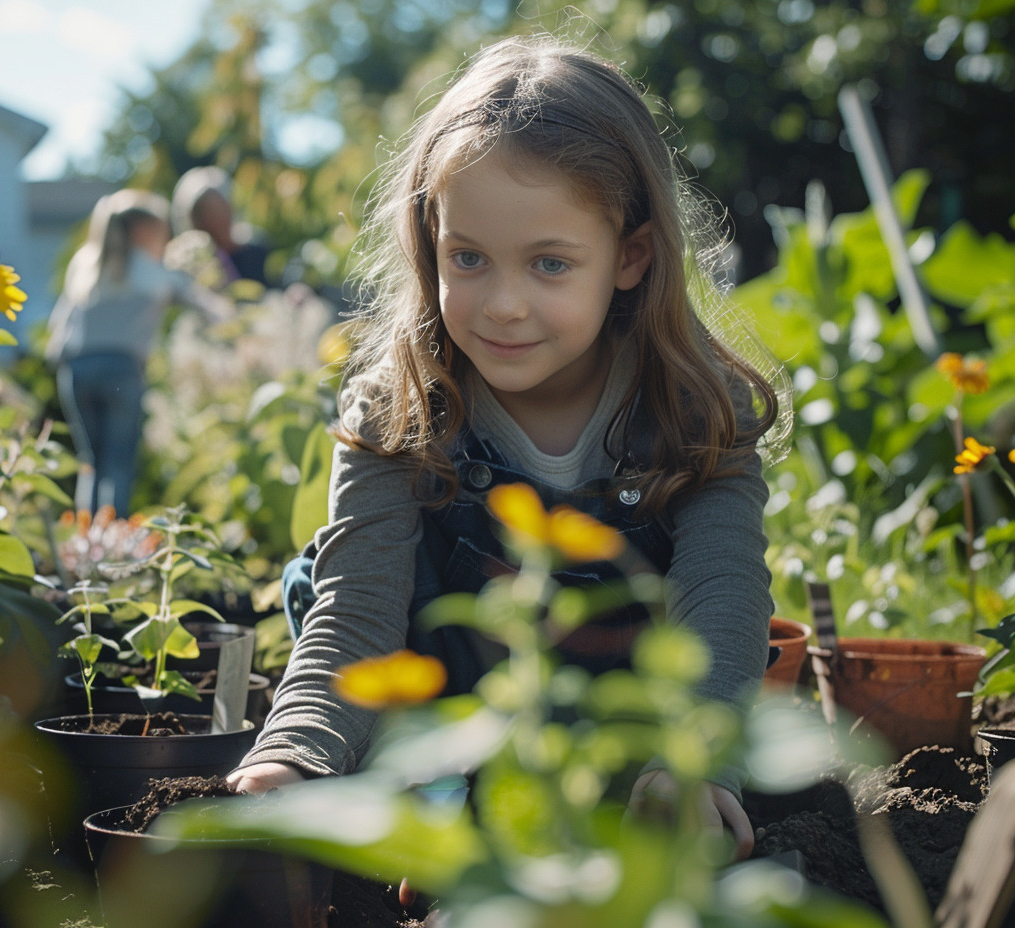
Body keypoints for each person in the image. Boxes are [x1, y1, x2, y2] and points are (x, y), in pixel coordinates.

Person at [227, 35, 790, 860]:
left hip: (620, 716)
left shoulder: (694, 409)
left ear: (629, 257)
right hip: (447, 707)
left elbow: (723, 589)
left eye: (551, 264)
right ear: (430, 239)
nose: (503, 306)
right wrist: (293, 751)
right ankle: (415, 789)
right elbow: (358, 608)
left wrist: (695, 761)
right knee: (320, 573)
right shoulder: (402, 405)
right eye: (470, 259)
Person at [47, 188, 229, 515]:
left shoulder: (86, 265)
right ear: (145, 231)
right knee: (118, 462)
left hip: (77, 369)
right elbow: (210, 309)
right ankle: (113, 546)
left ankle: (86, 543)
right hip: (122, 369)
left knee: (92, 462)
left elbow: (60, 325)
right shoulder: (152, 271)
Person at [170, 166, 272, 286]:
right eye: (204, 212)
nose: (214, 220)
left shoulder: (255, 252)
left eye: (218, 211)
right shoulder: (190, 262)